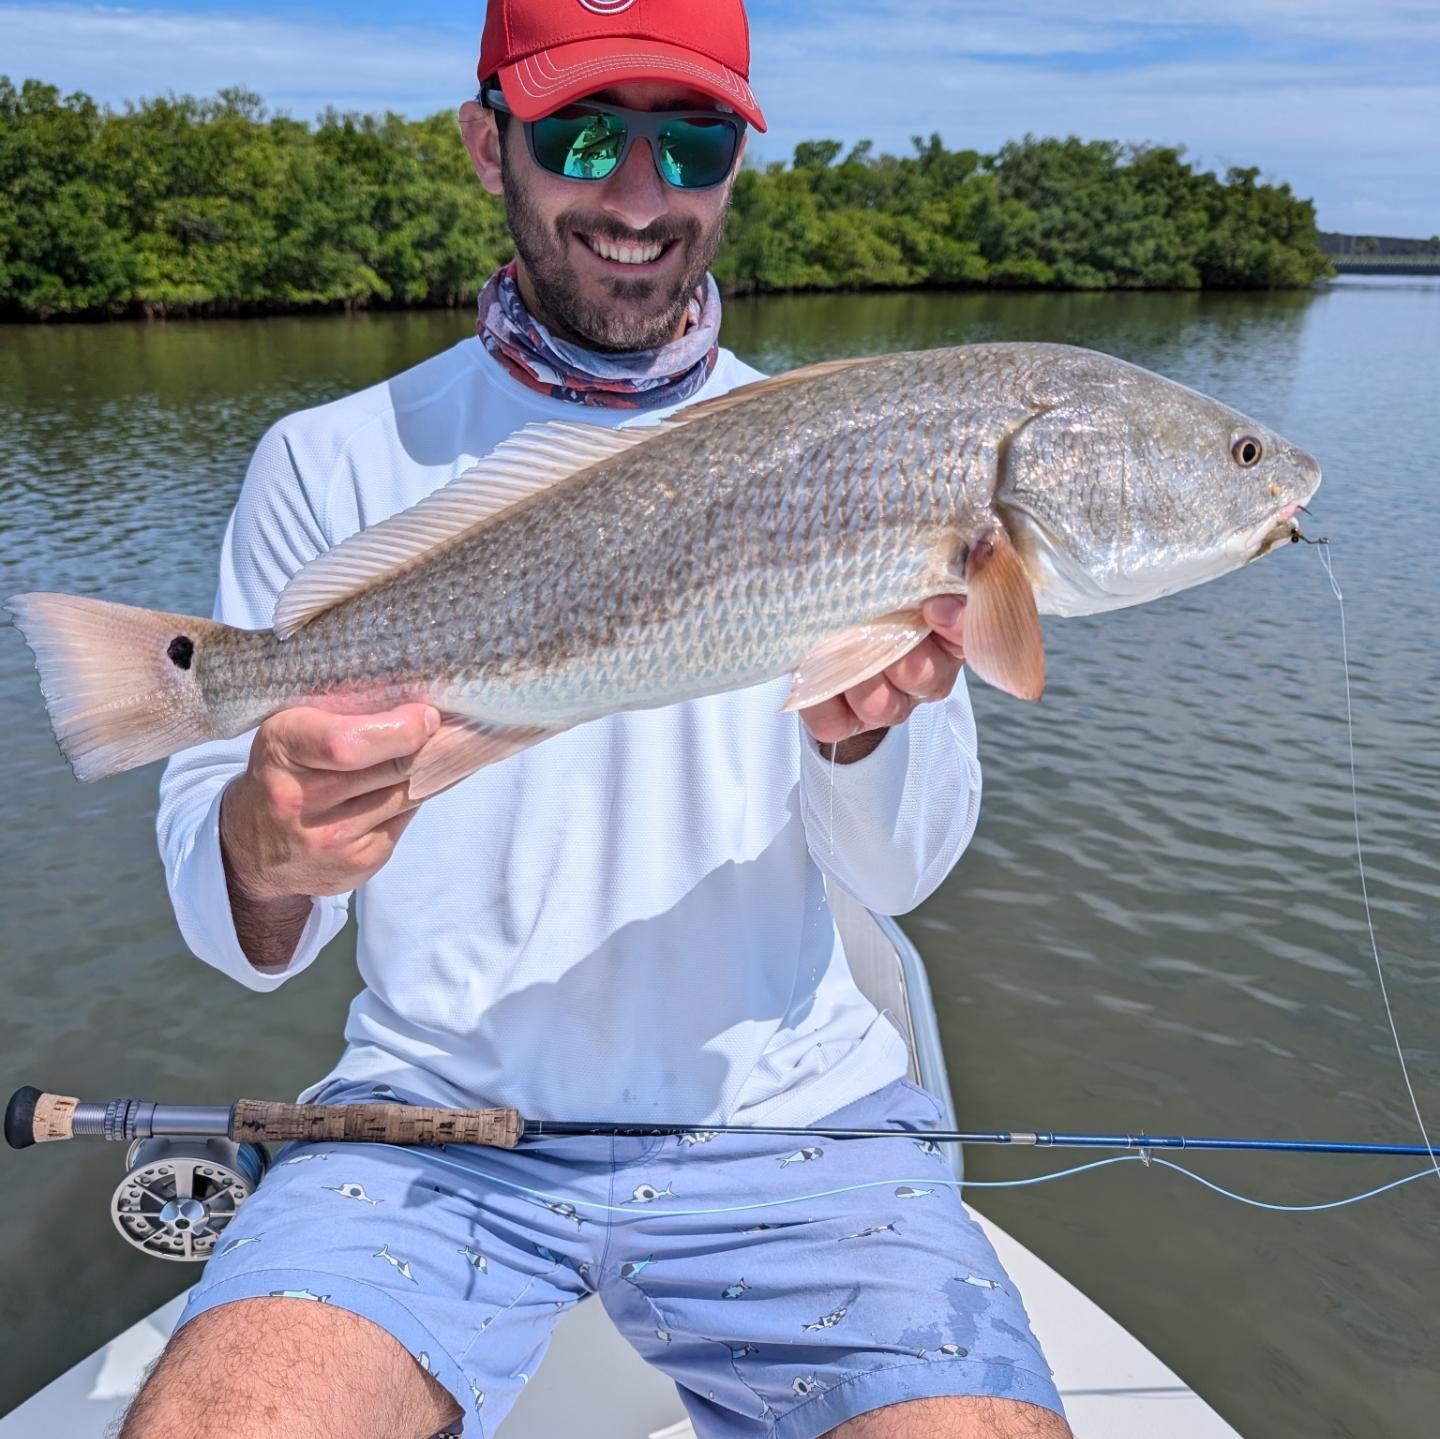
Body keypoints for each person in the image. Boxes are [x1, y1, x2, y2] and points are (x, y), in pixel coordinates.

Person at [124, 2, 1070, 1436]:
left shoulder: (867, 451)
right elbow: (247, 939)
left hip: (790, 1121)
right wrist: (269, 838)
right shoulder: (327, 462)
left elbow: (900, 878)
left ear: (736, 165)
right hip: (434, 1119)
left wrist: (862, 733)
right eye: (581, 134)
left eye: (689, 140)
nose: (640, 195)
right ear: (483, 139)